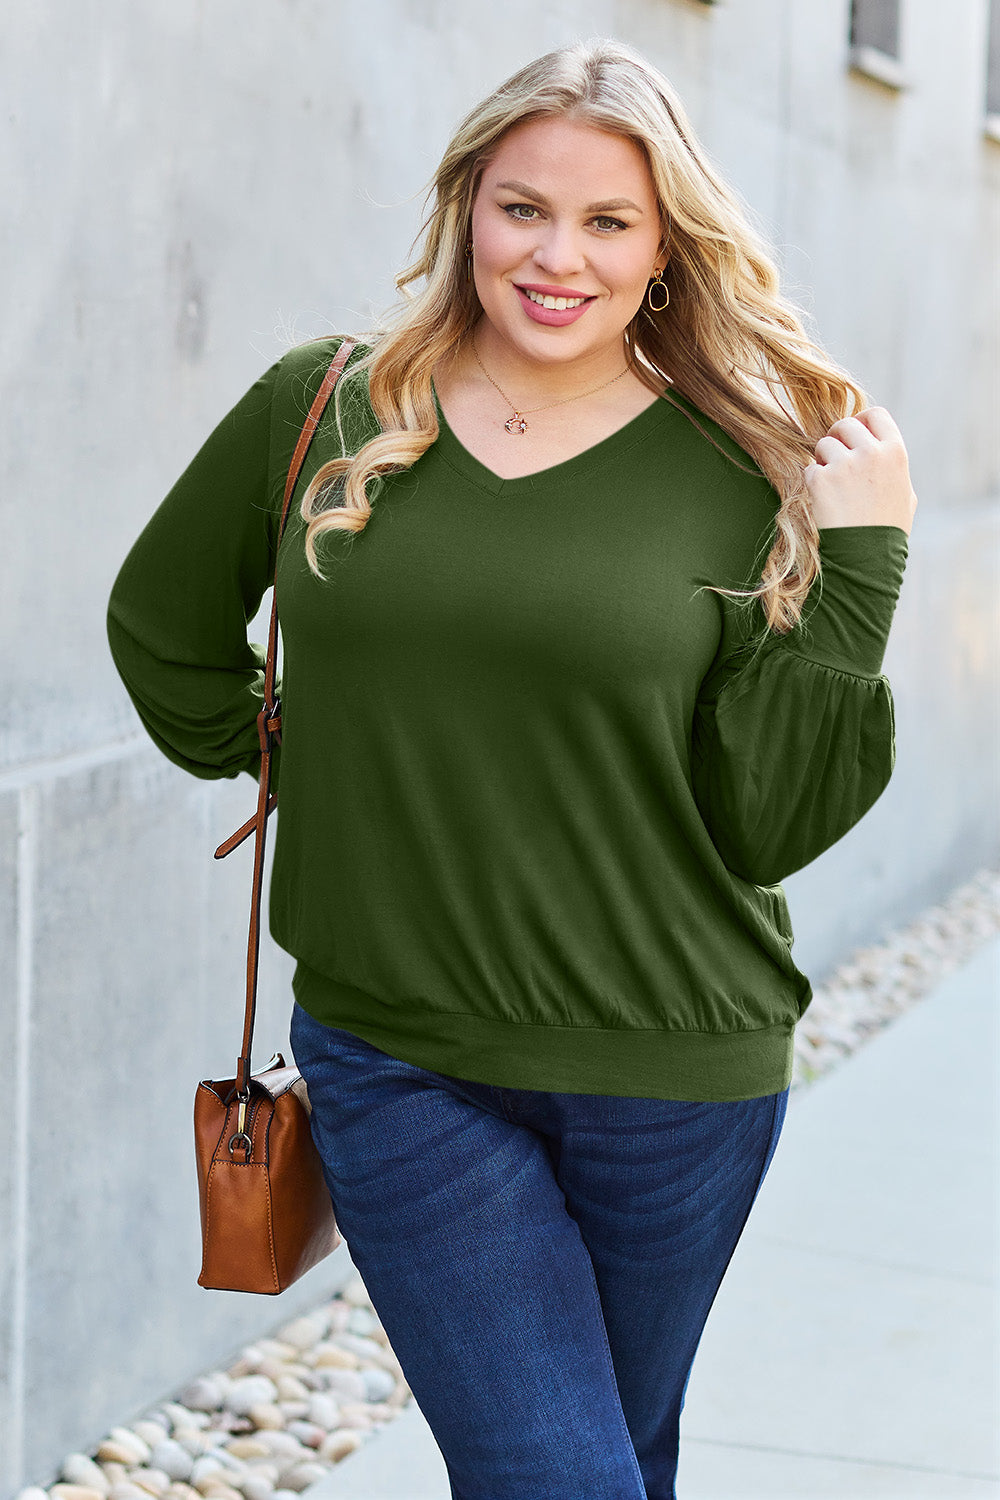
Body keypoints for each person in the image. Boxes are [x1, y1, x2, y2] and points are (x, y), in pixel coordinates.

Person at [107, 37, 917, 1500]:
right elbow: (163, 624)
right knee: (563, 1480)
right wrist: (286, 754)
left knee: (617, 1458)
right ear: (464, 205)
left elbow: (771, 818)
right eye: (521, 208)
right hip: (400, 1061)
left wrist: (860, 569)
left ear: (668, 246)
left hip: (678, 1070)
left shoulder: (745, 467)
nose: (559, 257)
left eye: (610, 222)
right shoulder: (327, 407)